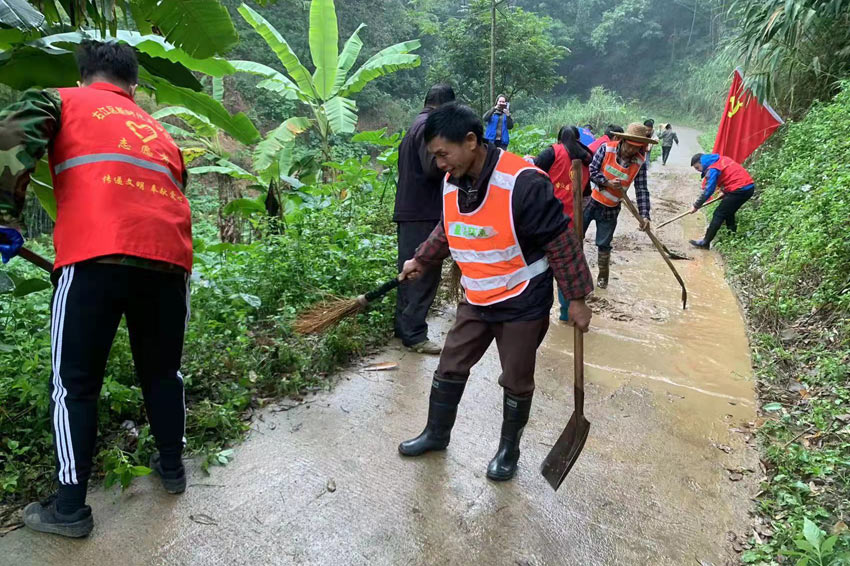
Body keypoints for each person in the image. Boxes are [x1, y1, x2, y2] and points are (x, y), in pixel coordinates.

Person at [0, 41, 192, 538]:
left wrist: (3, 214)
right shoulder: (161, 132)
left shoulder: (59, 99)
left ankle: (69, 508)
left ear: (84, 75)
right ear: (134, 85)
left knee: (74, 385)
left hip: (92, 258)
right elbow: (175, 187)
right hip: (168, 260)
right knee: (163, 372)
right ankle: (171, 468)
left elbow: (11, 134)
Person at [397, 103, 593, 481]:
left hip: (522, 297)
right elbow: (449, 227)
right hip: (476, 296)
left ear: (471, 141)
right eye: (435, 156)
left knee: (516, 378)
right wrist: (422, 259)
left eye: (443, 154)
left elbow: (561, 243)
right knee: (450, 365)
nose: (439, 164)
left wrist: (578, 300)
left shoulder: (524, 182)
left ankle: (508, 450)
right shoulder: (452, 180)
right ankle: (436, 434)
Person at [393, 84, 456, 354]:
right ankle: (415, 334)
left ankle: (403, 327)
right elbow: (432, 168)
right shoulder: (429, 127)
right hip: (423, 211)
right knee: (423, 272)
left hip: (411, 209)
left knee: (409, 270)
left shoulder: (415, 124)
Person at [584, 123, 656, 289]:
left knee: (604, 244)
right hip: (592, 201)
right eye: (630, 146)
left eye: (637, 148)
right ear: (623, 140)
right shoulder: (606, 149)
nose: (632, 151)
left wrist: (645, 215)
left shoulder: (639, 162)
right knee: (577, 235)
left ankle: (603, 276)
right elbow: (592, 170)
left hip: (611, 208)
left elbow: (642, 190)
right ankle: (578, 272)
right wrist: (607, 182)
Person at [533, 126, 592, 323]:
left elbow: (531, 176)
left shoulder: (552, 152)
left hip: (545, 221)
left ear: (559, 139)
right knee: (567, 272)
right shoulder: (585, 161)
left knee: (540, 269)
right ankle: (566, 316)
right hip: (570, 225)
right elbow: (586, 196)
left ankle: (538, 314)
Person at [688, 153, 755, 249]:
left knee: (719, 214)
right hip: (747, 188)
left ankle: (705, 242)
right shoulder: (719, 160)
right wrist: (725, 191)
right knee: (729, 211)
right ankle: (731, 235)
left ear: (701, 162)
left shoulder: (713, 168)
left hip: (740, 189)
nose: (698, 170)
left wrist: (696, 205)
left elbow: (708, 190)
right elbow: (731, 176)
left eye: (697, 167)